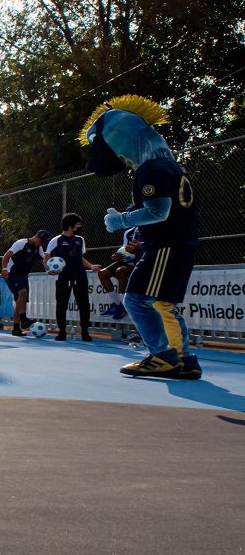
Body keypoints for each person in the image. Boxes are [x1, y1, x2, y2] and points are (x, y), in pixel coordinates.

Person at [80, 96, 201, 378]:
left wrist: (121, 220)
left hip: (165, 245)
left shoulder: (150, 170)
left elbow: (159, 211)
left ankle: (162, 356)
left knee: (135, 299)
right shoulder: (170, 166)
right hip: (181, 243)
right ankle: (183, 358)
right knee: (162, 303)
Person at [45, 213, 101, 342]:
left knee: (84, 304)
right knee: (61, 305)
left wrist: (91, 266)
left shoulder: (80, 239)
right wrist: (48, 270)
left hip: (80, 275)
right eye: (78, 224)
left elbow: (80, 258)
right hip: (63, 276)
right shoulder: (56, 240)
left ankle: (85, 332)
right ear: (71, 226)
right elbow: (47, 257)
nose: (80, 226)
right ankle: (62, 332)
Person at [1, 230, 50, 336]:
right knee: (22, 292)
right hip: (11, 272)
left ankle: (16, 328)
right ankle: (23, 319)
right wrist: (4, 269)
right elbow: (6, 256)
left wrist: (49, 270)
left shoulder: (39, 248)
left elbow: (44, 261)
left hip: (23, 275)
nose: (41, 244)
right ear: (36, 237)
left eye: (43, 243)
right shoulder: (21, 243)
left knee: (21, 301)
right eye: (41, 241)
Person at [97, 226, 140, 320]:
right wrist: (118, 255)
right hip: (127, 262)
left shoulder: (149, 229)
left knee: (121, 271)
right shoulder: (128, 232)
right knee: (102, 273)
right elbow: (125, 251)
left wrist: (138, 249)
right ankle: (117, 304)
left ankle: (123, 305)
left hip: (141, 262)